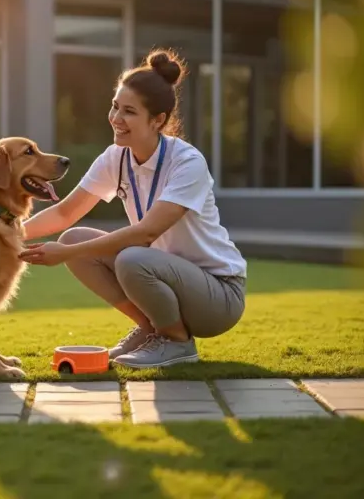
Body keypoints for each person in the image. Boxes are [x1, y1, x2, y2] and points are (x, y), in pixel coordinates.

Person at [18, 49, 247, 369]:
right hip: (163, 275)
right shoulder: (117, 157)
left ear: (158, 120)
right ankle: (153, 329)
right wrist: (6, 234)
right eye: (114, 106)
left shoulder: (187, 162)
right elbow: (63, 214)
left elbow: (146, 232)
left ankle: (177, 342)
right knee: (73, 238)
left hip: (218, 296)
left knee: (130, 256)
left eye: (128, 111)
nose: (116, 118)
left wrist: (63, 256)